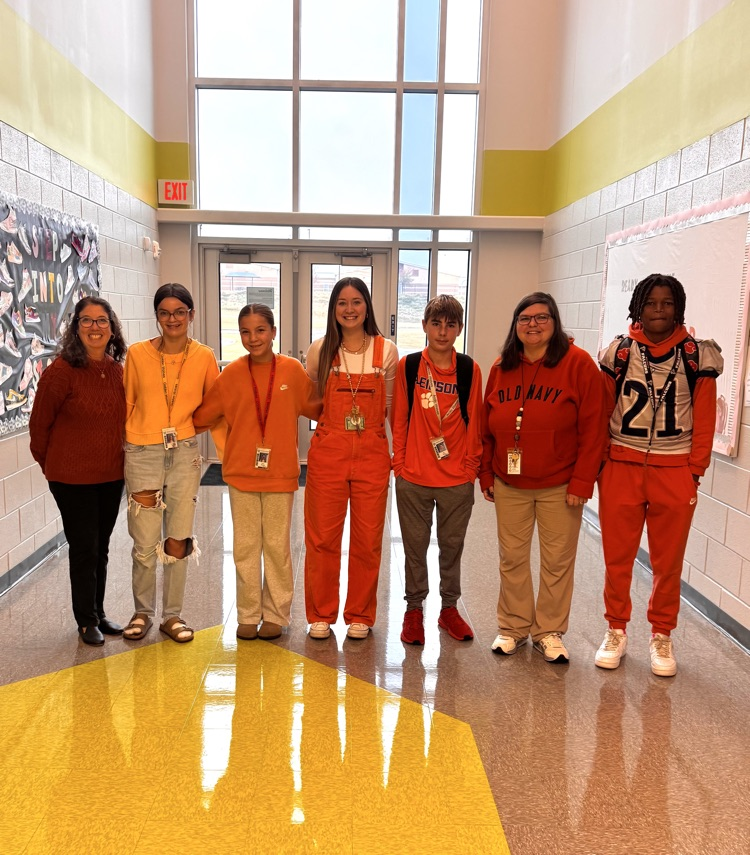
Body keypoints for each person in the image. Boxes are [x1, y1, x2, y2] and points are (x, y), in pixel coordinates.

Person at [595, 274, 722, 677]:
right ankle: (615, 628)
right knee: (618, 559)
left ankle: (661, 634)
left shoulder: (697, 355)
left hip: (674, 469)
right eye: (651, 303)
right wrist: (600, 465)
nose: (659, 310)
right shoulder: (618, 351)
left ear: (678, 307)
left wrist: (694, 473)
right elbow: (600, 413)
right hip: (621, 465)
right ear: (638, 306)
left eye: (667, 303)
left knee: (668, 563)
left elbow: (704, 419)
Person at [480, 292, 606, 663]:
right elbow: (487, 429)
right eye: (525, 319)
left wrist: (583, 482)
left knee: (557, 561)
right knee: (512, 558)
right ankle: (514, 627)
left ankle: (549, 631)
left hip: (560, 485)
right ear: (515, 326)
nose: (533, 324)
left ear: (555, 322)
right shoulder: (501, 366)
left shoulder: (579, 365)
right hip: (509, 483)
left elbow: (594, 428)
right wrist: (487, 472)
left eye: (541, 318)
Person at [193, 304, 321, 641]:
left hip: (280, 475)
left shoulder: (292, 371)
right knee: (246, 546)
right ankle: (248, 613)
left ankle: (277, 613)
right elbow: (202, 416)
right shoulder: (232, 374)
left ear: (274, 332)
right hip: (241, 475)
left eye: (261, 330)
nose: (254, 338)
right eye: (246, 332)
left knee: (277, 547)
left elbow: (318, 408)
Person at [122, 283, 221, 643]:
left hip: (183, 454)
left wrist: (188, 429)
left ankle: (172, 615)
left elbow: (213, 405)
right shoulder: (136, 354)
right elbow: (128, 402)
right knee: (145, 542)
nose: (172, 319)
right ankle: (141, 613)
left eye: (180, 312)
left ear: (191, 315)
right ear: (157, 316)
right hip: (143, 453)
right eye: (165, 312)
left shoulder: (204, 356)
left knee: (178, 538)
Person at [29, 296, 127, 645]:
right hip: (71, 479)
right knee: (84, 547)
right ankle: (85, 620)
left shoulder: (117, 371)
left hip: (111, 475)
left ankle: (98, 612)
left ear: (112, 328)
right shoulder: (61, 372)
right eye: (86, 321)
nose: (95, 327)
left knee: (100, 546)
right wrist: (53, 467)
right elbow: (39, 428)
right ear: (76, 328)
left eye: (101, 321)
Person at [304, 277, 398, 639]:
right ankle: (321, 614)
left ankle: (360, 613)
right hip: (329, 451)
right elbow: (311, 399)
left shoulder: (385, 351)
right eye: (341, 302)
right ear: (333, 309)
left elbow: (390, 406)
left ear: (367, 306)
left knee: (368, 538)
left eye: (356, 301)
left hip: (372, 451)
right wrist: (332, 430)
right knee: (322, 536)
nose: (349, 309)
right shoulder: (320, 349)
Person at [392, 295, 483, 645]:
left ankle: (449, 610)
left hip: (456, 480)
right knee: (415, 549)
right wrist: (399, 464)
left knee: (452, 547)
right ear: (425, 325)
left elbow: (475, 421)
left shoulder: (468, 369)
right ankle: (413, 611)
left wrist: (470, 469)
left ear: (459, 328)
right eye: (436, 323)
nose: (443, 332)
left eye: (450, 324)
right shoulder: (409, 366)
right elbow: (398, 418)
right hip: (413, 477)